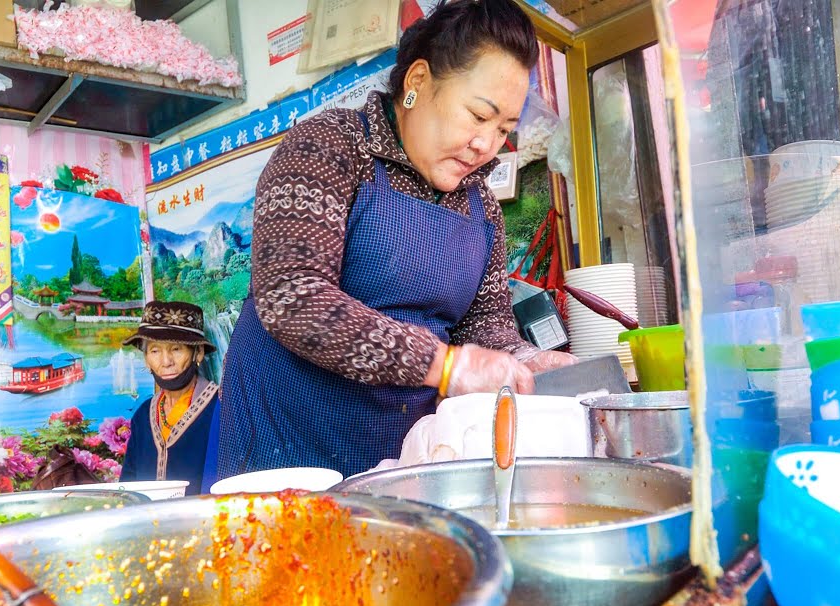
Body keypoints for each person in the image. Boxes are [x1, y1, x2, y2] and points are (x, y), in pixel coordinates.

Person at [218, 0, 576, 480]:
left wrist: (528, 362)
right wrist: (444, 366)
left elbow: (485, 330)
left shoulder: (480, 205)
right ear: (418, 82)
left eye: (503, 129)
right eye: (477, 115)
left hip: (403, 457)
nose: (486, 145)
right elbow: (292, 297)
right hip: (289, 445)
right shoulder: (330, 147)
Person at [120, 301, 221, 494]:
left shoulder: (222, 407)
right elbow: (128, 485)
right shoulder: (143, 415)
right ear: (146, 359)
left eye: (176, 349)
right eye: (155, 351)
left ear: (197, 353)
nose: (166, 362)